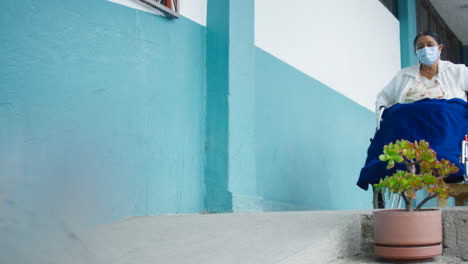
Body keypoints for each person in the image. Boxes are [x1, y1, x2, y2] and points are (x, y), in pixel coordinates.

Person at [375, 31, 468, 114]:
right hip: (411, 129)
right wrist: (384, 118)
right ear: (415, 52)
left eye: (430, 45)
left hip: (449, 128)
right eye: (420, 47)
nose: (425, 49)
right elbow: (383, 98)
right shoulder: (403, 75)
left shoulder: (457, 71)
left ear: (440, 48)